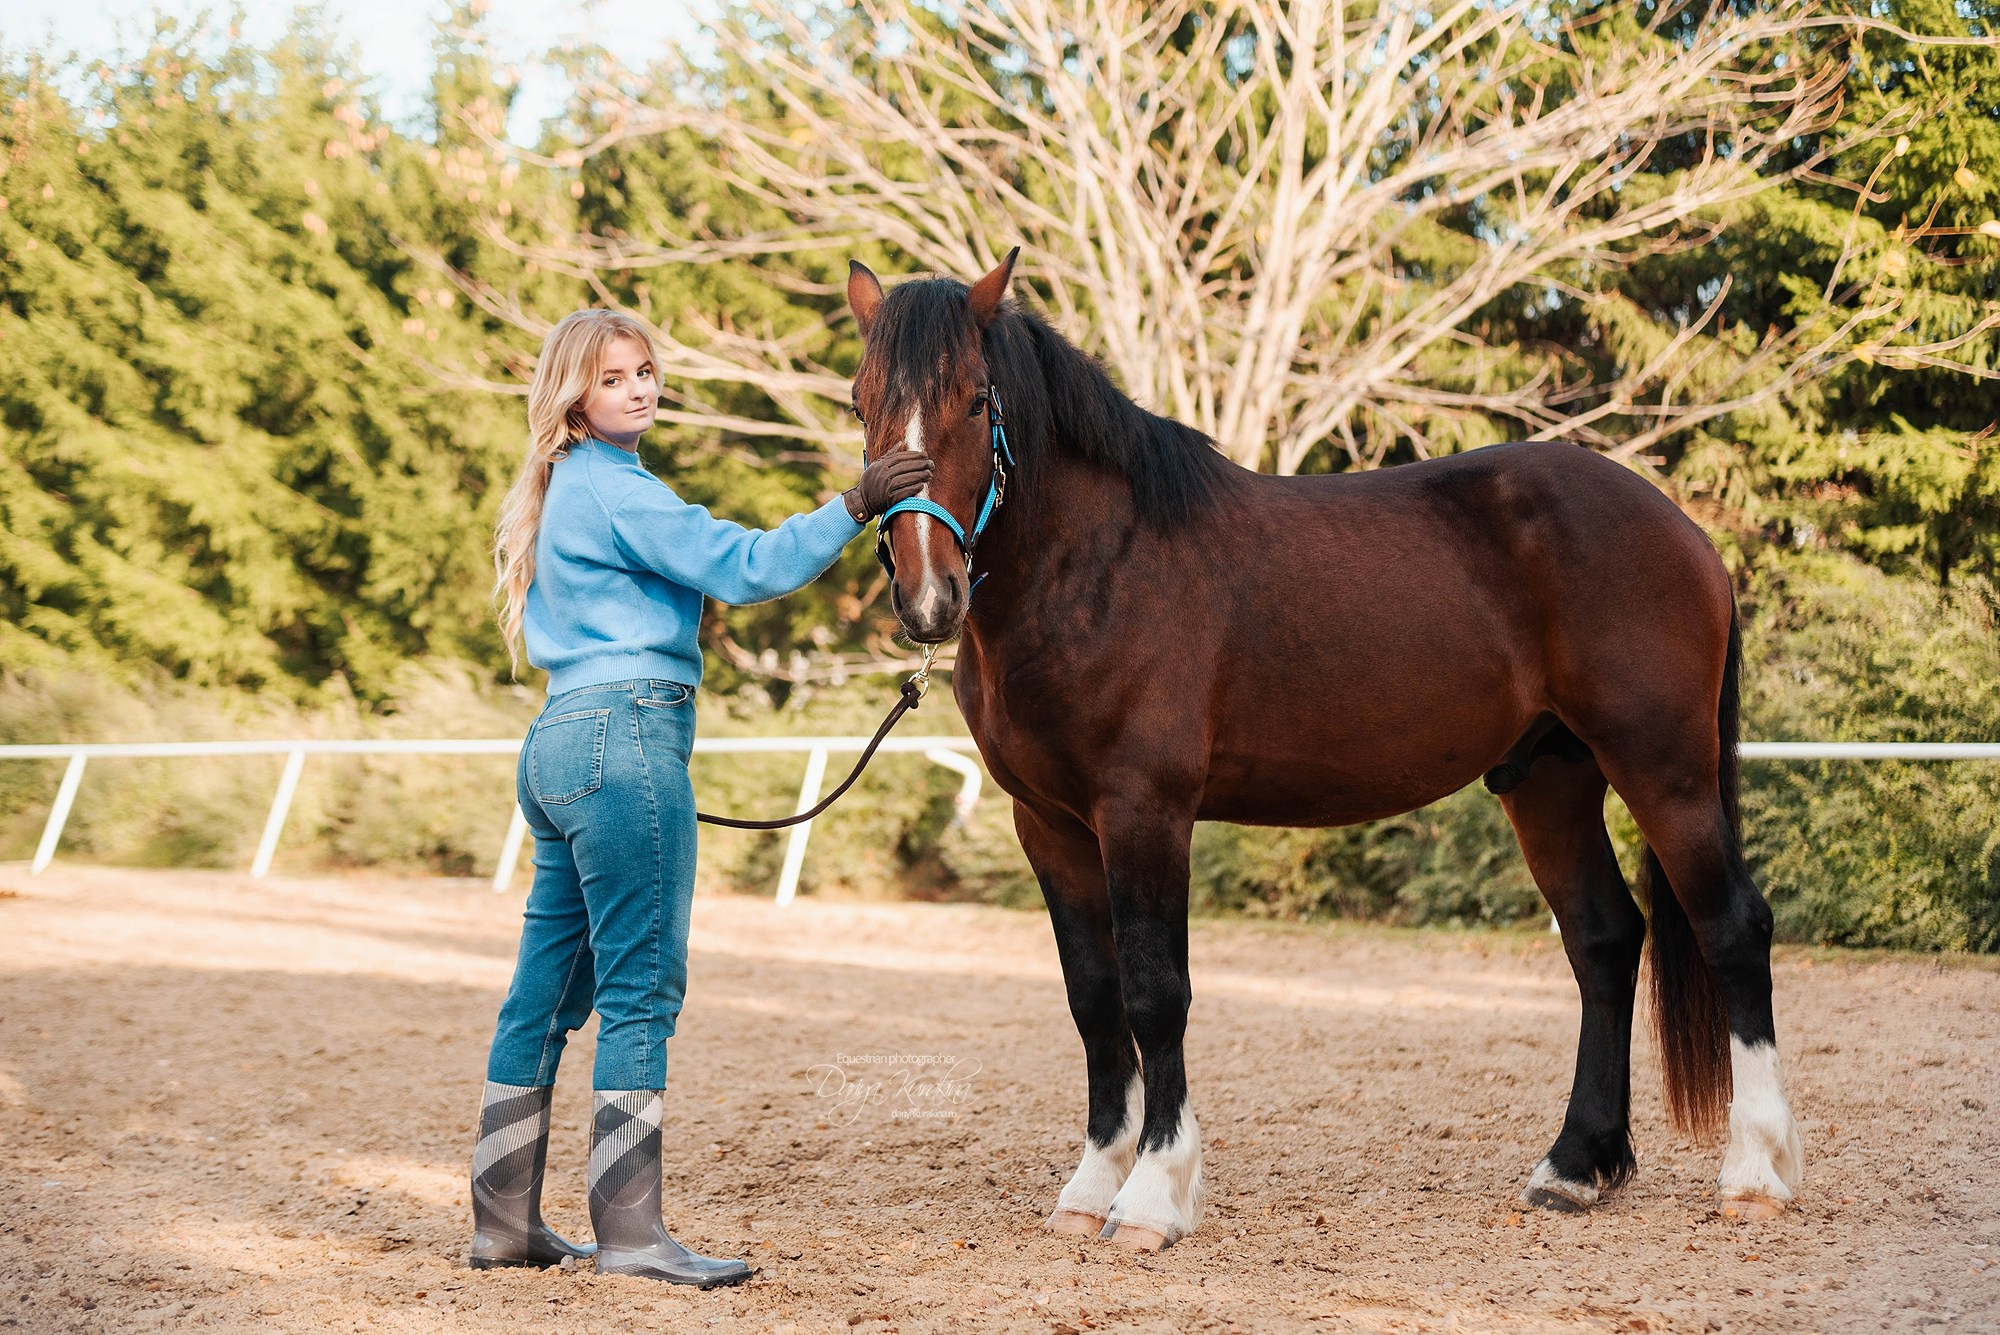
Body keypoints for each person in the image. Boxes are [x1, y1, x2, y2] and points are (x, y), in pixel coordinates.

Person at [468, 308, 929, 1288]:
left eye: (644, 371)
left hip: (560, 740)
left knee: (543, 995)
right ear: (573, 399)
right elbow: (742, 566)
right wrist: (856, 505)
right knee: (641, 992)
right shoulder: (615, 488)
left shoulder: (568, 486)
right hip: (626, 739)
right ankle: (630, 1234)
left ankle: (502, 1220)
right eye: (612, 379)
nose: (638, 388)